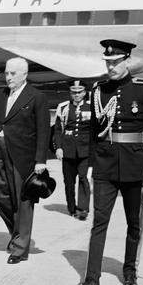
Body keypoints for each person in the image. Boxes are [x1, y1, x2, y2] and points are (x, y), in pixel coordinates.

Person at [79, 39, 143, 285]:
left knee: (133, 223)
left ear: (127, 60)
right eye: (107, 62)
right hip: (105, 163)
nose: (111, 67)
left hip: (135, 164)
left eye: (115, 62)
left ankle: (129, 270)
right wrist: (92, 164)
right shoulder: (99, 90)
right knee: (99, 223)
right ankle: (91, 278)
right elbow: (94, 131)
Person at [0, 57, 49, 265]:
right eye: (6, 73)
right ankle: (17, 235)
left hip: (23, 156)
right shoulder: (1, 96)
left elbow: (43, 130)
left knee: (23, 202)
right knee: (0, 198)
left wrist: (40, 160)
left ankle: (20, 248)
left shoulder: (36, 97)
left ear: (24, 74)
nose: (8, 77)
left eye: (12, 73)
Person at [52, 80, 91, 220]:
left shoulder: (91, 107)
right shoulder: (63, 108)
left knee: (83, 177)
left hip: (85, 151)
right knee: (69, 182)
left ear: (84, 93)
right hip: (67, 150)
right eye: (74, 92)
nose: (76, 95)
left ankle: (83, 208)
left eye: (79, 92)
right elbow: (57, 130)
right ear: (70, 93)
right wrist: (58, 148)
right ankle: (71, 207)